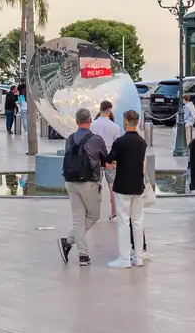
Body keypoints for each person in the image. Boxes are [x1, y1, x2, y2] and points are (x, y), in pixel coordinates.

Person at [59, 107, 108, 267]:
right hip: (89, 182)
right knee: (93, 216)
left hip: (70, 181)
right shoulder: (97, 139)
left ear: (76, 121)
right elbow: (106, 161)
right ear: (90, 121)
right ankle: (69, 241)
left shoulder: (70, 139)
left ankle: (83, 255)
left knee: (79, 219)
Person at [104, 110, 150, 268]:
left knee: (124, 222)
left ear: (125, 123)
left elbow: (109, 160)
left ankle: (124, 258)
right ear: (137, 123)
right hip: (138, 186)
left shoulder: (120, 142)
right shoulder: (142, 142)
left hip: (123, 185)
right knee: (138, 221)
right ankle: (138, 256)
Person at [92, 101, 123, 220]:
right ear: (109, 110)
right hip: (110, 160)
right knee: (113, 187)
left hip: (96, 160)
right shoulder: (115, 127)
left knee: (95, 187)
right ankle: (114, 213)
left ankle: (95, 214)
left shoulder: (92, 125)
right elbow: (117, 145)